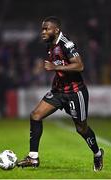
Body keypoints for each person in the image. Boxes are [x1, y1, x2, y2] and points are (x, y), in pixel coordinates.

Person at [17, 16, 104, 171]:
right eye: (42, 29)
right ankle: (33, 157)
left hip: (75, 92)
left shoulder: (66, 44)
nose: (43, 32)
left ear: (56, 30)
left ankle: (97, 154)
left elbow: (79, 66)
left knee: (81, 128)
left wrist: (54, 67)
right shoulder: (50, 45)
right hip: (59, 91)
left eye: (46, 29)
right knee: (35, 115)